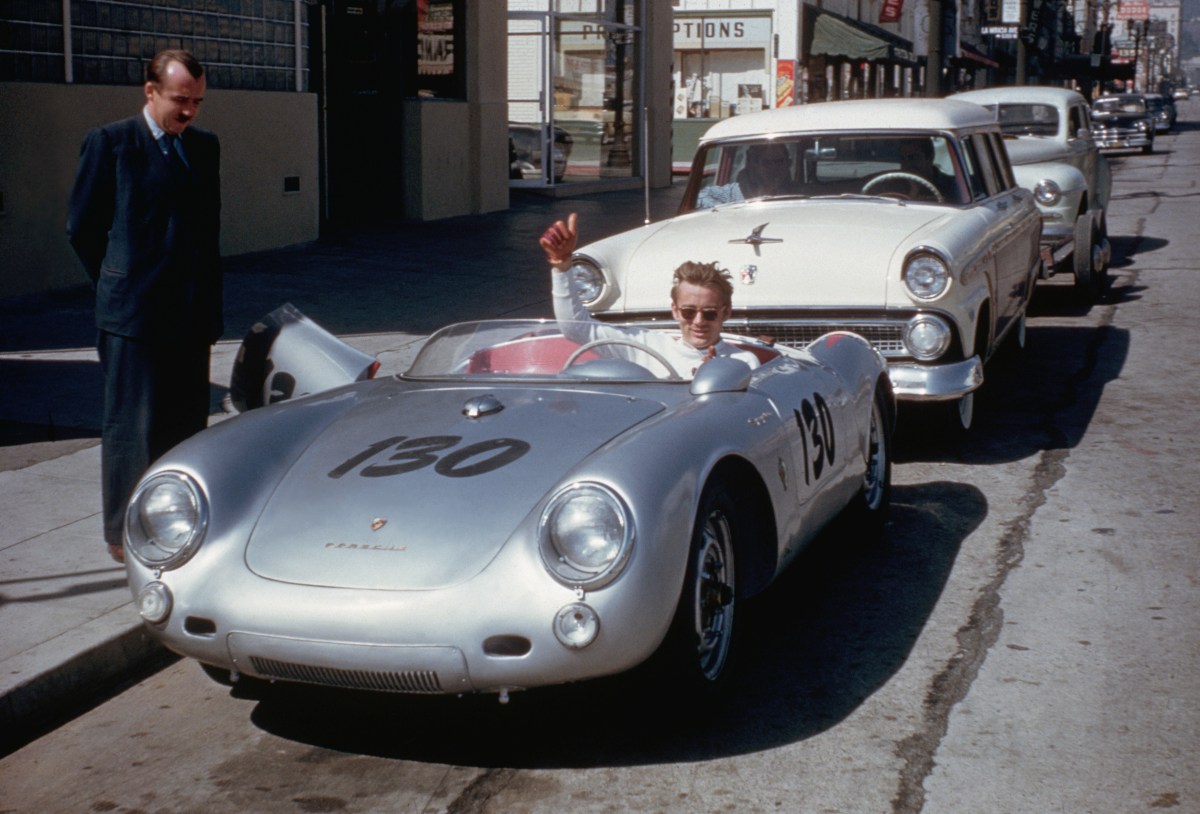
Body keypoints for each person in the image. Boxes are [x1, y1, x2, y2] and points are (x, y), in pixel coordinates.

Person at [67, 49, 223, 563]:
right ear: (150, 91)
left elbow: (207, 234)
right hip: (133, 317)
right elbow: (83, 228)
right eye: (181, 100)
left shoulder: (203, 148)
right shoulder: (112, 143)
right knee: (132, 429)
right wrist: (117, 281)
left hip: (189, 314)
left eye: (197, 102)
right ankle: (124, 533)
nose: (189, 112)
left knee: (184, 427)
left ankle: (177, 523)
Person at [539, 213, 761, 376]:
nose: (698, 321)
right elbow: (575, 327)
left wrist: (719, 376)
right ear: (675, 310)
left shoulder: (743, 362)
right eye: (688, 312)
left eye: (710, 313)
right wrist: (562, 266)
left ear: (726, 313)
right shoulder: (647, 346)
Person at [695, 142, 793, 208]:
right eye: (767, 163)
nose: (774, 168)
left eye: (779, 162)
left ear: (788, 164)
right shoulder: (734, 192)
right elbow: (700, 196)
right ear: (755, 165)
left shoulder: (801, 192)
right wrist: (724, 212)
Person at [895, 138, 960, 202]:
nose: (907, 164)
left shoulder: (952, 187)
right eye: (902, 159)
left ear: (930, 157)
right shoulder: (895, 185)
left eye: (913, 158)